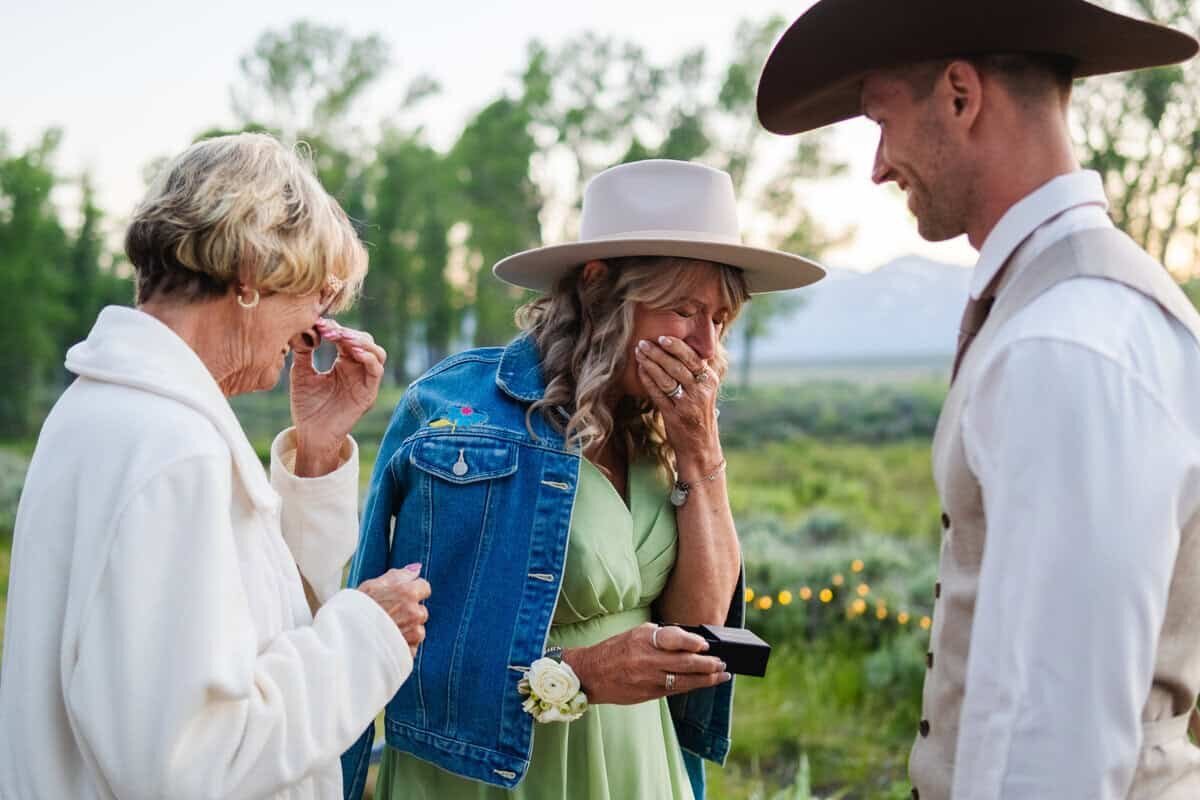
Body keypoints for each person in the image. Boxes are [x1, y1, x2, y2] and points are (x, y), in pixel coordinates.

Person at [757, 2, 1200, 798]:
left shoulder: (1067, 341)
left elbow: (1053, 734)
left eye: (881, 121)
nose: (878, 165)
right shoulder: (1061, 312)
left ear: (961, 96)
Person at [341, 159, 824, 800]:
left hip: (639, 764)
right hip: (490, 775)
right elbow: (378, 633)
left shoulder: (661, 430)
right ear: (598, 289)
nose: (707, 347)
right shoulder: (452, 413)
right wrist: (579, 674)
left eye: (721, 320)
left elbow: (701, 630)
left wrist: (701, 454)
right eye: (683, 309)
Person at [0, 132, 431, 799]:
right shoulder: (169, 446)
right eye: (318, 296)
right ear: (254, 274)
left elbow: (238, 631)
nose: (316, 330)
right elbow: (192, 759)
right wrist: (369, 632)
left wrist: (315, 450)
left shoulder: (112, 412)